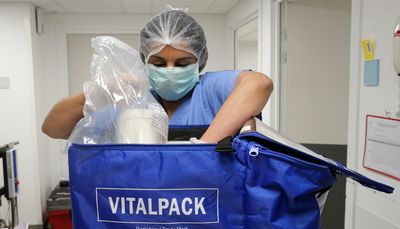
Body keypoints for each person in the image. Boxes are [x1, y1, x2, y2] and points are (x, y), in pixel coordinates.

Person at [42, 9, 273, 143]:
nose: (170, 70)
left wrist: (203, 150)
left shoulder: (210, 90)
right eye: (159, 63)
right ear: (145, 62)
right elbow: (53, 127)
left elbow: (259, 84)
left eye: (182, 63)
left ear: (199, 62)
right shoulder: (131, 101)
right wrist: (103, 89)